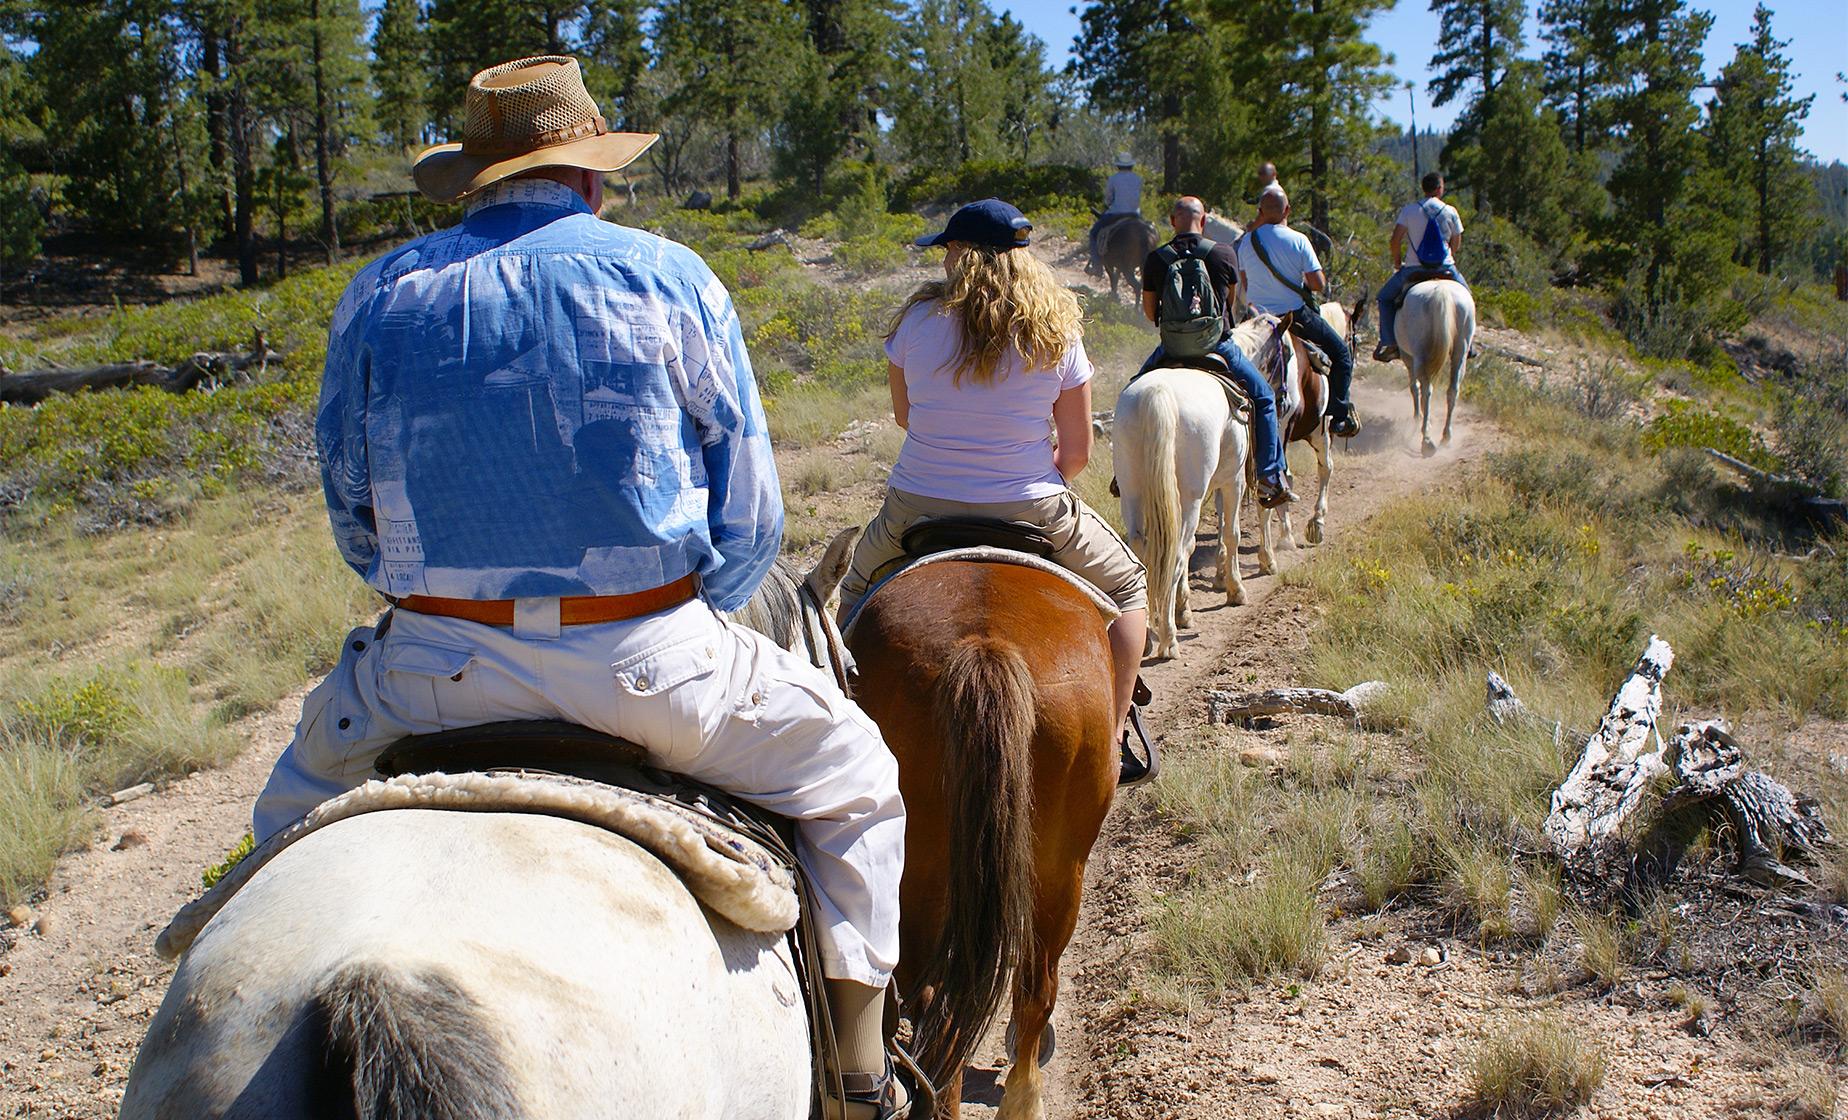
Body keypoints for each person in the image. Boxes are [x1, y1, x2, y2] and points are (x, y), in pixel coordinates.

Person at [250, 56, 910, 1120]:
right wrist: (694, 598)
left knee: (281, 825)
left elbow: (353, 516)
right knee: (857, 778)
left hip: (428, 674)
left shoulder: (380, 291)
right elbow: (750, 519)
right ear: (591, 174)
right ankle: (859, 1076)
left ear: (474, 175)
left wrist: (442, 589)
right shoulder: (671, 277)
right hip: (647, 664)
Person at [837, 198, 1150, 767]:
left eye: (947, 249)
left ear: (960, 252)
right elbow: (1076, 453)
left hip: (918, 503)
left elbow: (906, 416)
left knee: (852, 594)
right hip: (1031, 505)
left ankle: (842, 728)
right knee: (1128, 589)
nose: (944, 259)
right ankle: (1111, 740)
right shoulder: (1057, 329)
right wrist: (1026, 471)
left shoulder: (915, 322)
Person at [1138, 195, 1295, 509]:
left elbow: (1150, 312)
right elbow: (1230, 304)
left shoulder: (1157, 258)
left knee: (1132, 392)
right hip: (1217, 345)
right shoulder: (1223, 253)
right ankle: (1269, 475)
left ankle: (1124, 473)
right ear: (1204, 220)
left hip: (1172, 348)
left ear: (1173, 221)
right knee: (1264, 397)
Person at [1235, 187, 1360, 439]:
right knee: (1341, 354)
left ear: (1260, 212)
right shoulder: (1299, 240)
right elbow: (1318, 284)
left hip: (1256, 320)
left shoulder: (1247, 242)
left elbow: (1245, 284)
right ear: (1288, 210)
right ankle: (1338, 415)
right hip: (1294, 316)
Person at [1373, 171, 1468, 363]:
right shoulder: (1451, 211)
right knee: (1467, 298)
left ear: (1424, 189)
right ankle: (1468, 344)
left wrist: (1397, 262)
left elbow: (1395, 240)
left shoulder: (1409, 210)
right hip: (1445, 268)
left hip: (1414, 268)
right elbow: (1456, 242)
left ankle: (1390, 343)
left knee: (1384, 298)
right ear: (1439, 189)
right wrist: (1449, 255)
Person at [1087, 151, 1143, 275]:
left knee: (1093, 234)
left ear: (1118, 166)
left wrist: (1109, 203)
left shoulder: (1113, 179)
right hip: (1135, 214)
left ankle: (1097, 266)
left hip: (1116, 213)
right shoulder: (1138, 179)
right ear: (1131, 166)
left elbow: (1108, 198)